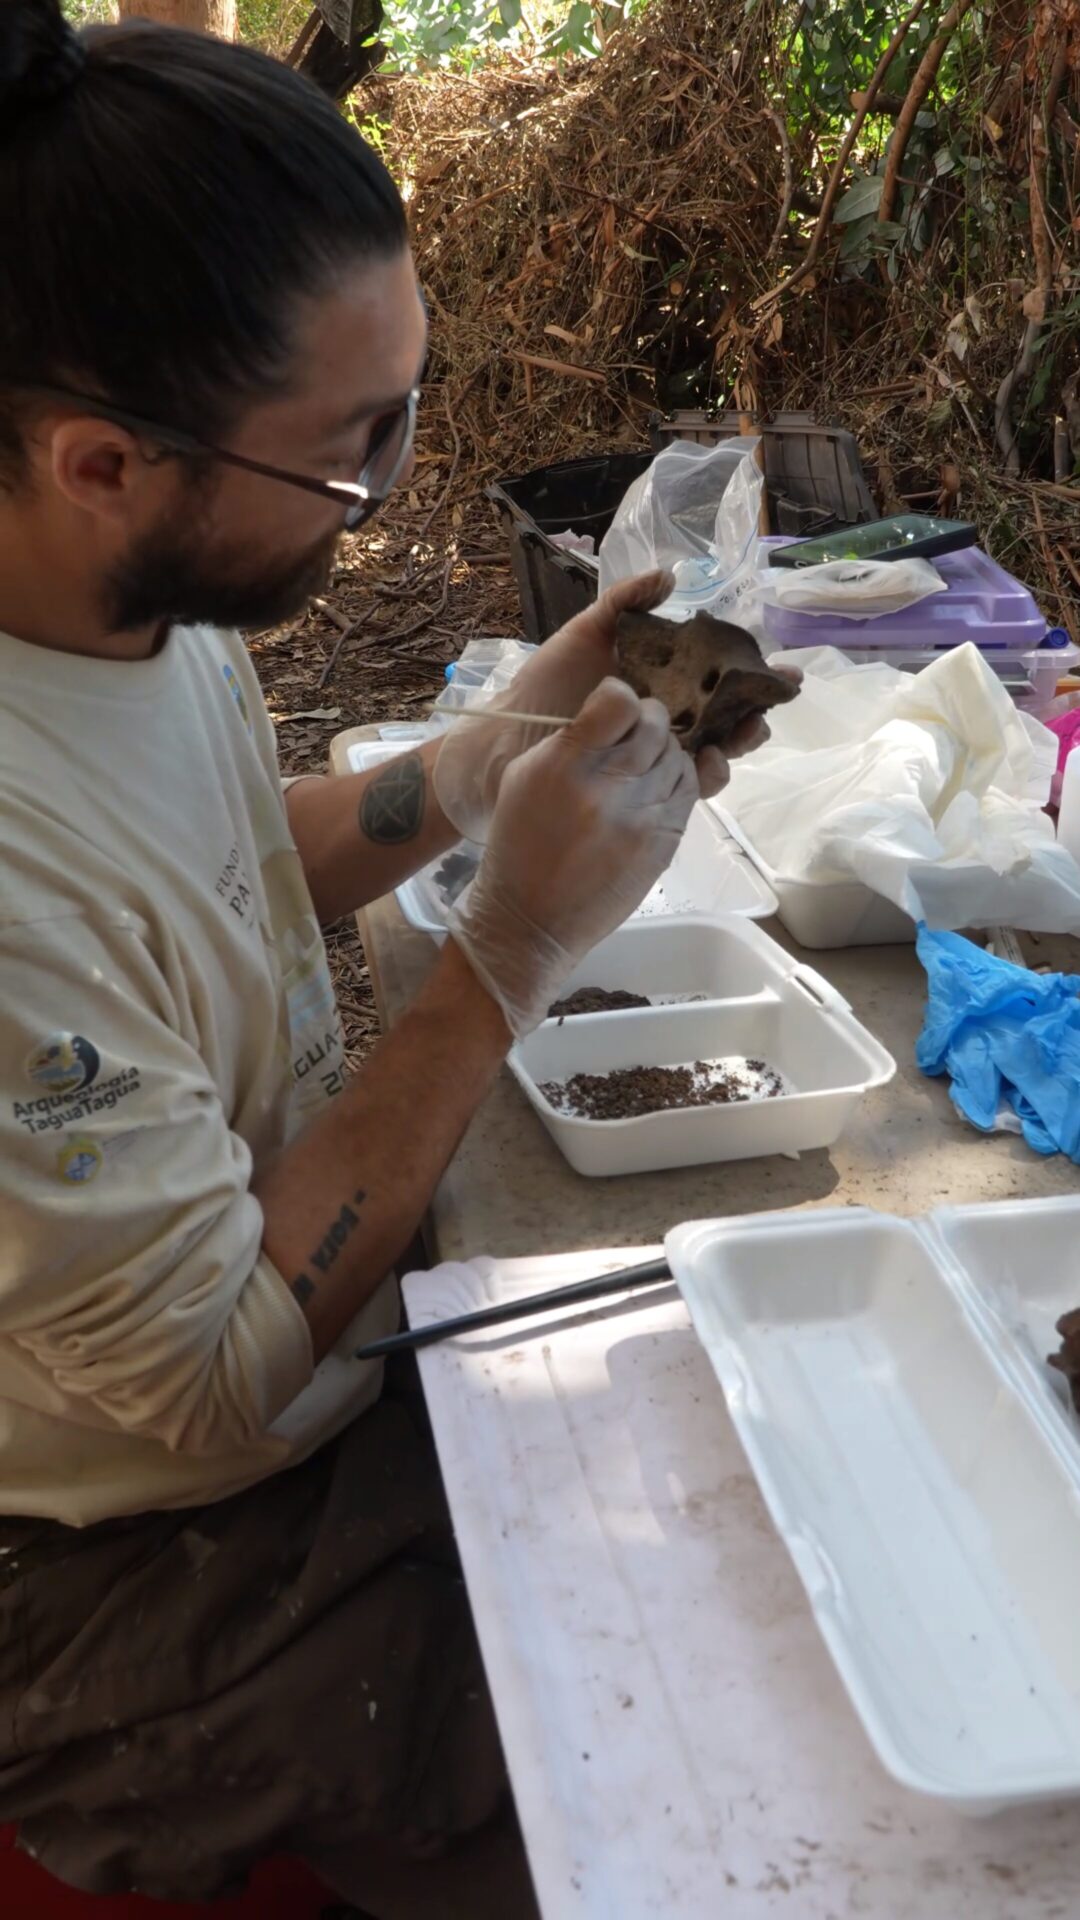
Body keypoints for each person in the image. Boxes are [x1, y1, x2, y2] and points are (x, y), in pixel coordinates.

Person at [0, 3, 773, 1912]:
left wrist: (483, 761)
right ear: (102, 462)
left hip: (272, 1388)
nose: (397, 483)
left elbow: (200, 865)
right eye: (354, 454)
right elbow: (213, 1372)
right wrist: (505, 955)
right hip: (116, 1556)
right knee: (705, 1788)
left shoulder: (113, 604)